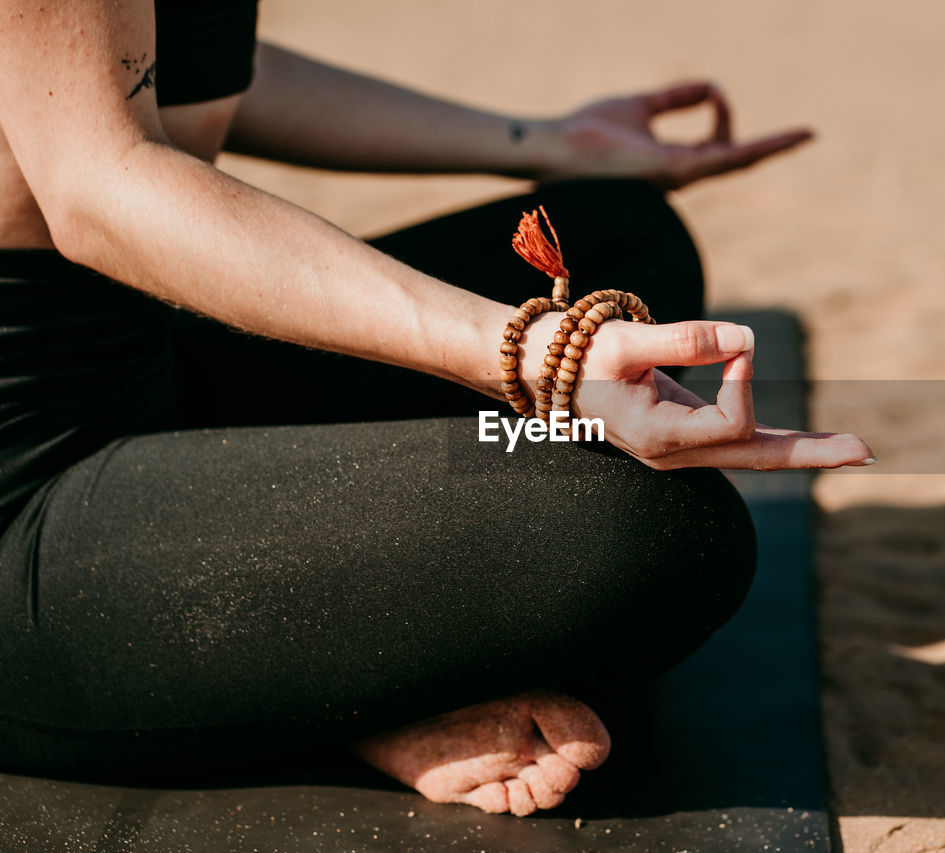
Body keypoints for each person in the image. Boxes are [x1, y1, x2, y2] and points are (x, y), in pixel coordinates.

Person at [0, 0, 874, 818]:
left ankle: (298, 639)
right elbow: (97, 183)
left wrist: (550, 140)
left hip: (149, 366)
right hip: (23, 496)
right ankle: (314, 692)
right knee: (660, 530)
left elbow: (182, 64)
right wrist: (533, 357)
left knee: (626, 240)